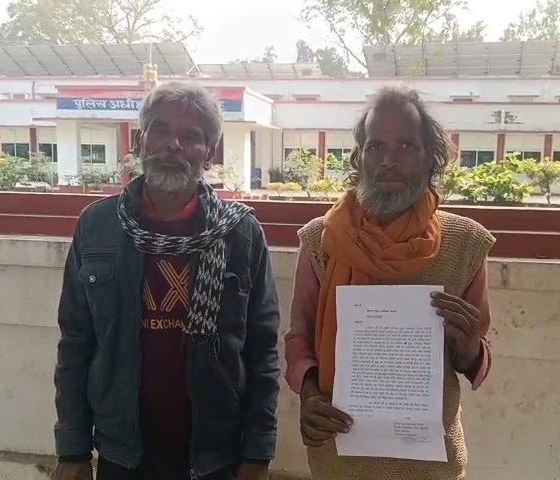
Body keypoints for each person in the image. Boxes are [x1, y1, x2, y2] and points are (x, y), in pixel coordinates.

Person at [52, 81, 281, 480]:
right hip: (122, 452)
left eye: (191, 136)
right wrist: (72, 450)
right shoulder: (98, 226)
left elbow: (262, 352)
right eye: (160, 130)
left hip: (215, 456)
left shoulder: (240, 234)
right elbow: (76, 343)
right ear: (140, 141)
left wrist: (258, 454)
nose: (173, 145)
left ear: (209, 152)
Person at [284, 86, 496, 480]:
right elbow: (300, 338)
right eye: (375, 147)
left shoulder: (465, 243)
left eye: (406, 147)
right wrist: (310, 394)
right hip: (339, 457)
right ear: (359, 158)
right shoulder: (321, 241)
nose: (388, 162)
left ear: (431, 157)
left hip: (432, 463)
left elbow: (477, 358)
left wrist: (469, 346)